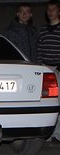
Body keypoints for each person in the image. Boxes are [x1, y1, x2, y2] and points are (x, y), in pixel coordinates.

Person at [37, 0, 60, 144]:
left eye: (54, 9)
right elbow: (39, 50)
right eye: (49, 9)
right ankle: (49, 134)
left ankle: (58, 134)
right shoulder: (43, 30)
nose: (50, 11)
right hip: (46, 69)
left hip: (58, 69)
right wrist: (40, 67)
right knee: (50, 103)